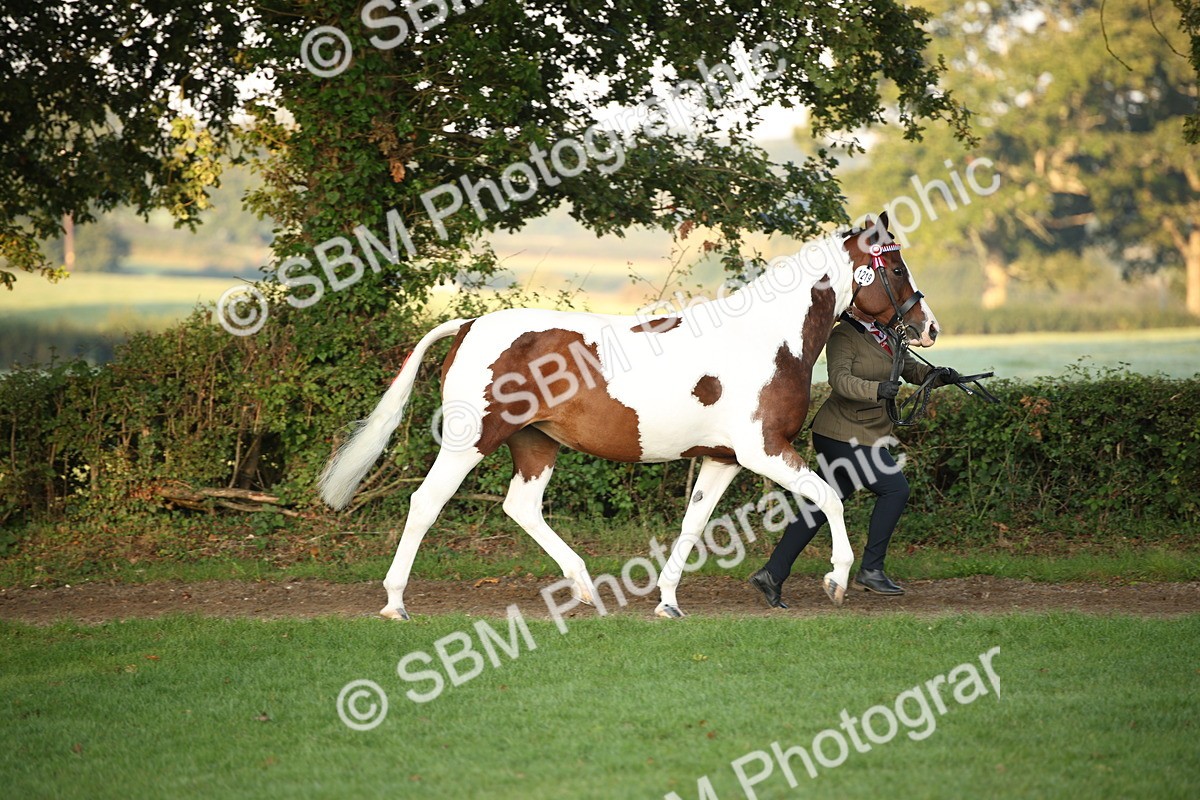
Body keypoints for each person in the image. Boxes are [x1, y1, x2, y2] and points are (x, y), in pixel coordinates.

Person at [748, 308, 958, 606]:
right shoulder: (843, 335)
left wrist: (937, 376)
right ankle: (871, 570)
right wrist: (877, 390)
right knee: (895, 489)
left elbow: (909, 370)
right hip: (840, 434)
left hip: (866, 434)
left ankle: (771, 574)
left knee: (821, 505)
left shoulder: (887, 333)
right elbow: (840, 380)